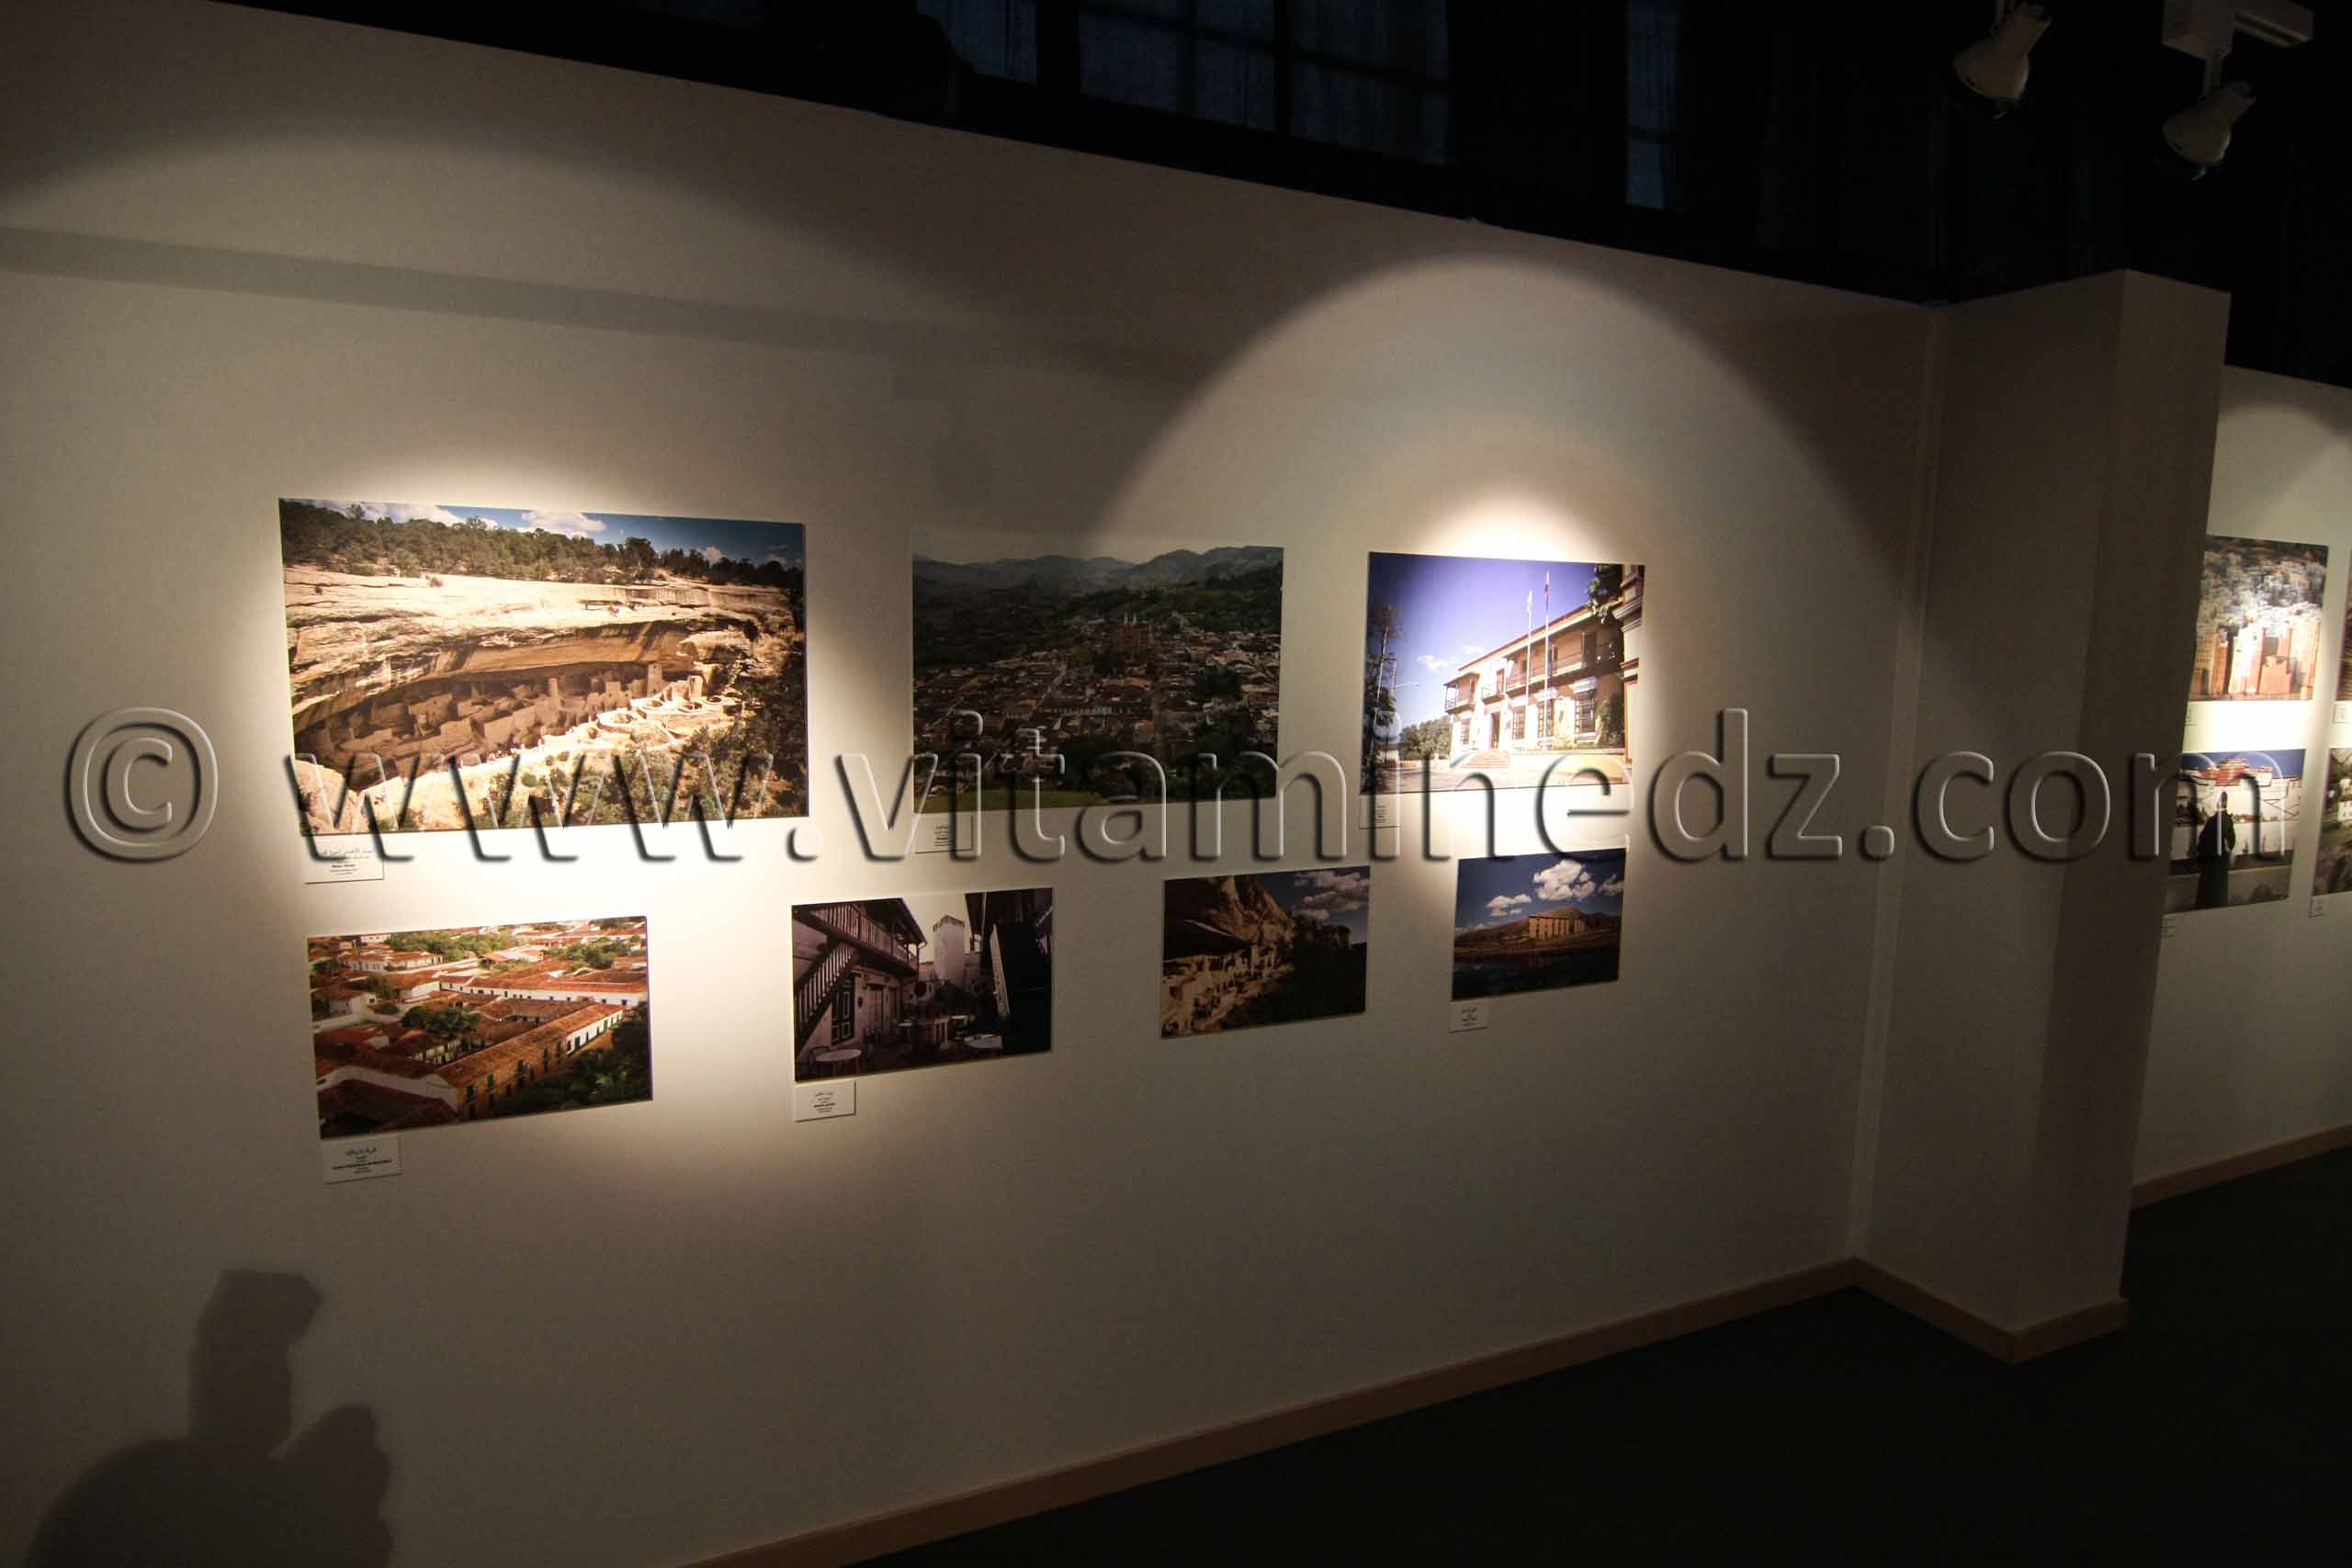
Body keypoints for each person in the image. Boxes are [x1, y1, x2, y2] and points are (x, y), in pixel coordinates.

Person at [2195, 797, 2236, 908]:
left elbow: (2201, 841)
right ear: (2226, 803)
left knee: (2206, 892)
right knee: (2219, 892)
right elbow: (2231, 842)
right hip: (2220, 863)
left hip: (2209, 863)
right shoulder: (2227, 820)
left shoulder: (2212, 821)